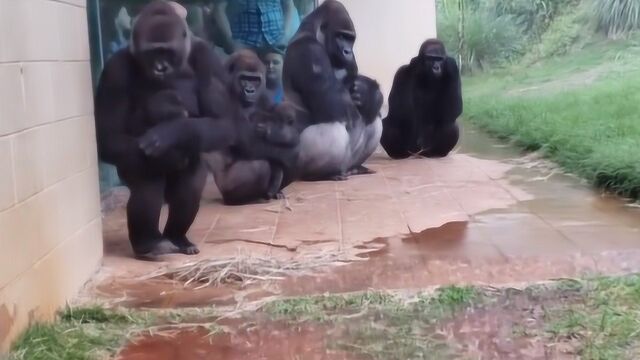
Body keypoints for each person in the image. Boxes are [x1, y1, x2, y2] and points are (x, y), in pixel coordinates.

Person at [212, 0, 295, 54]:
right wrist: (230, 40)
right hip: (243, 41)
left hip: (276, 39)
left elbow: (288, 5)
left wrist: (285, 35)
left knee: (277, 76)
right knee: (245, 77)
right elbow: (219, 9)